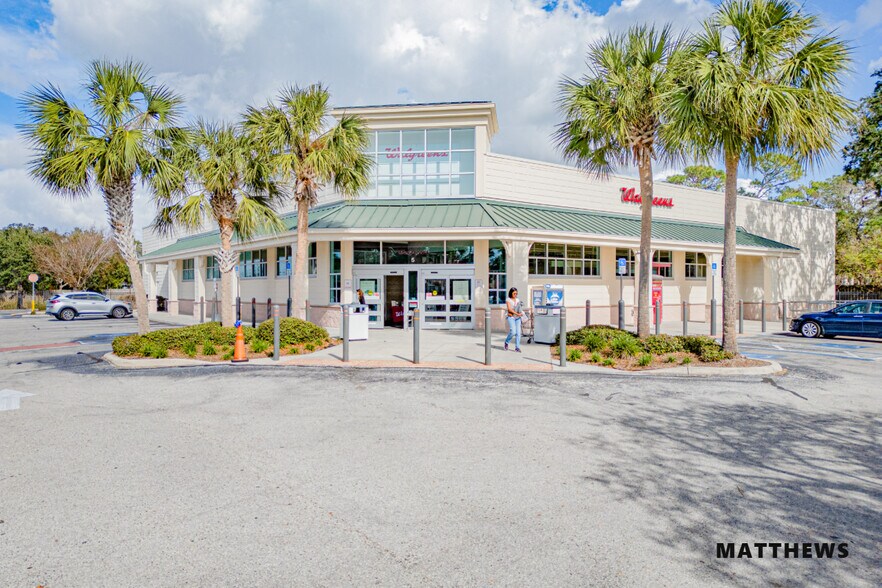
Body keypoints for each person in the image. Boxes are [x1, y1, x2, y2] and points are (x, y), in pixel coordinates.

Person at [505, 287, 525, 352]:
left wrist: (521, 313)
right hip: (511, 317)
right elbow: (509, 309)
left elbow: (519, 308)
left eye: (516, 293)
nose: (515, 295)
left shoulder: (518, 300)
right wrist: (517, 313)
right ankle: (506, 342)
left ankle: (517, 347)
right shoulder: (508, 300)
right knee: (513, 332)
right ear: (511, 293)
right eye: (514, 293)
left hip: (517, 318)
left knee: (518, 333)